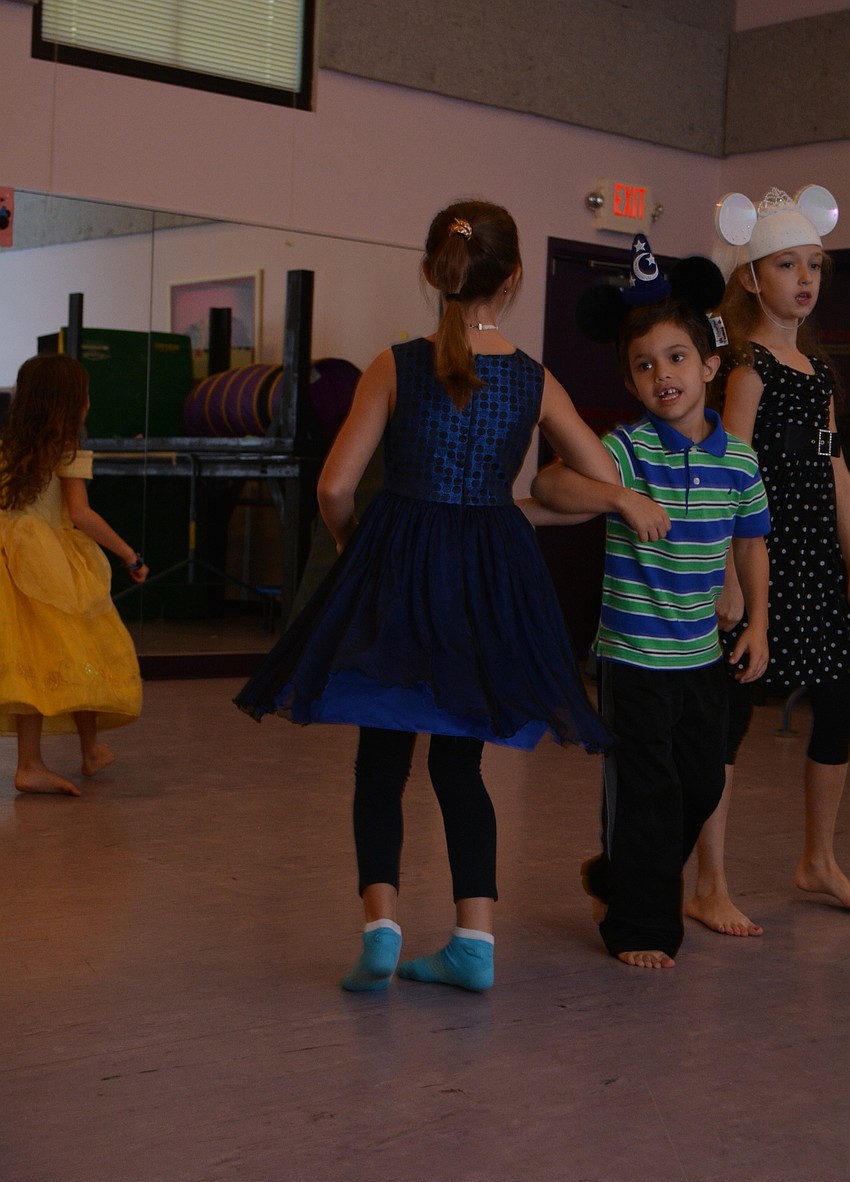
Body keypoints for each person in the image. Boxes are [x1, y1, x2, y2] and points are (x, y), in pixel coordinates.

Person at [236, 199, 644, 994]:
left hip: (400, 567)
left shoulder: (395, 365)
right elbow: (603, 481)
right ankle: (474, 941)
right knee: (462, 769)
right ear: (516, 278)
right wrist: (518, 510)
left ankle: (381, 929)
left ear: (432, 272)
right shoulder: (533, 378)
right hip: (487, 581)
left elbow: (335, 486)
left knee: (380, 761)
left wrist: (362, 548)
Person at [531, 237, 771, 968]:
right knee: (645, 790)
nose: (661, 374)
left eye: (674, 358)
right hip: (633, 655)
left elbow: (752, 541)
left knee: (698, 782)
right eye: (644, 365)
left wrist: (758, 619)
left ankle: (613, 875)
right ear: (633, 385)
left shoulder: (738, 458)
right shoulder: (628, 450)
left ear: (708, 368)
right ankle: (639, 925)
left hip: (700, 652)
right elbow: (549, 486)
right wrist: (618, 496)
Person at [685, 184, 850, 936]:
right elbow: (732, 471)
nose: (807, 279)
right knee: (733, 718)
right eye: (789, 265)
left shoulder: (817, 372)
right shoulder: (747, 367)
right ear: (753, 276)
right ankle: (707, 880)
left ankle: (818, 857)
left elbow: (836, 469)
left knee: (840, 705)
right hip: (762, 560)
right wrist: (727, 577)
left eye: (815, 264)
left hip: (816, 557)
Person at [0, 352, 148, 796]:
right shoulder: (66, 450)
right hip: (49, 566)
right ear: (71, 404)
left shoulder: (6, 449)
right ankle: (52, 759)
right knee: (82, 648)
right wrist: (129, 554)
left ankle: (66, 755)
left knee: (34, 660)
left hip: (9, 561)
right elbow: (81, 515)